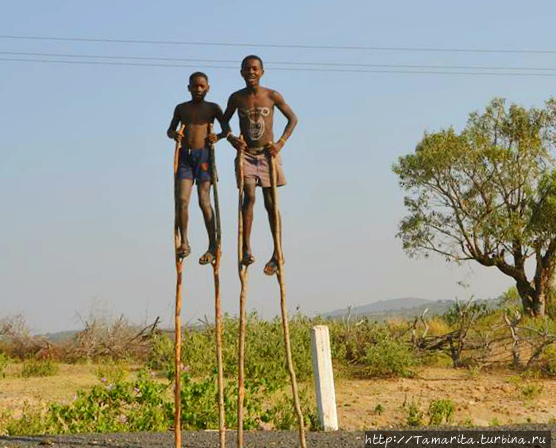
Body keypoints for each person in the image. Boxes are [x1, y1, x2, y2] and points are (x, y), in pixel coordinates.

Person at [223, 55, 298, 275]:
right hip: (246, 154)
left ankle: (277, 253)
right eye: (247, 69)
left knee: (270, 203)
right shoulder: (236, 98)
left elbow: (293, 118)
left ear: (262, 71)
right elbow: (224, 120)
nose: (251, 73)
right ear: (241, 73)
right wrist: (230, 138)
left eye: (255, 69)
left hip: (267, 155)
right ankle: (246, 249)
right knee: (249, 198)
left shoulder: (272, 95)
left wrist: (280, 143)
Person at [167, 72, 229, 263]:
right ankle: (184, 242)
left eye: (202, 86)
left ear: (208, 88)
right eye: (195, 86)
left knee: (204, 201)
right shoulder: (181, 109)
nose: (198, 90)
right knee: (182, 200)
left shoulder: (213, 108)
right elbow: (170, 130)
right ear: (188, 88)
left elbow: (226, 130)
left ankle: (212, 244)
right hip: (185, 156)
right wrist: (174, 135)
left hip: (204, 156)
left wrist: (216, 137)